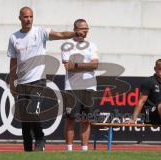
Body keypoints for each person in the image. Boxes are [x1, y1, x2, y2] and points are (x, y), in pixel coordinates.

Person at [7, 6, 85, 152]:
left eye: (30, 16)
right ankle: (27, 150)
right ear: (20, 18)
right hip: (22, 83)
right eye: (25, 17)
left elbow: (60, 34)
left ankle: (41, 138)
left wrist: (74, 33)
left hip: (38, 81)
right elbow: (13, 62)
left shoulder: (40, 32)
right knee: (24, 119)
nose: (28, 19)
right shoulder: (14, 37)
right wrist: (12, 83)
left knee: (32, 111)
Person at [61, 19, 99, 151]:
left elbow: (95, 65)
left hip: (89, 86)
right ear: (75, 29)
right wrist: (86, 65)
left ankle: (84, 149)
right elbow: (67, 67)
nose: (85, 31)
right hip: (72, 87)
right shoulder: (67, 45)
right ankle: (69, 150)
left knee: (86, 120)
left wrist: (77, 64)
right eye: (83, 28)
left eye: (87, 29)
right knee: (70, 119)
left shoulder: (92, 45)